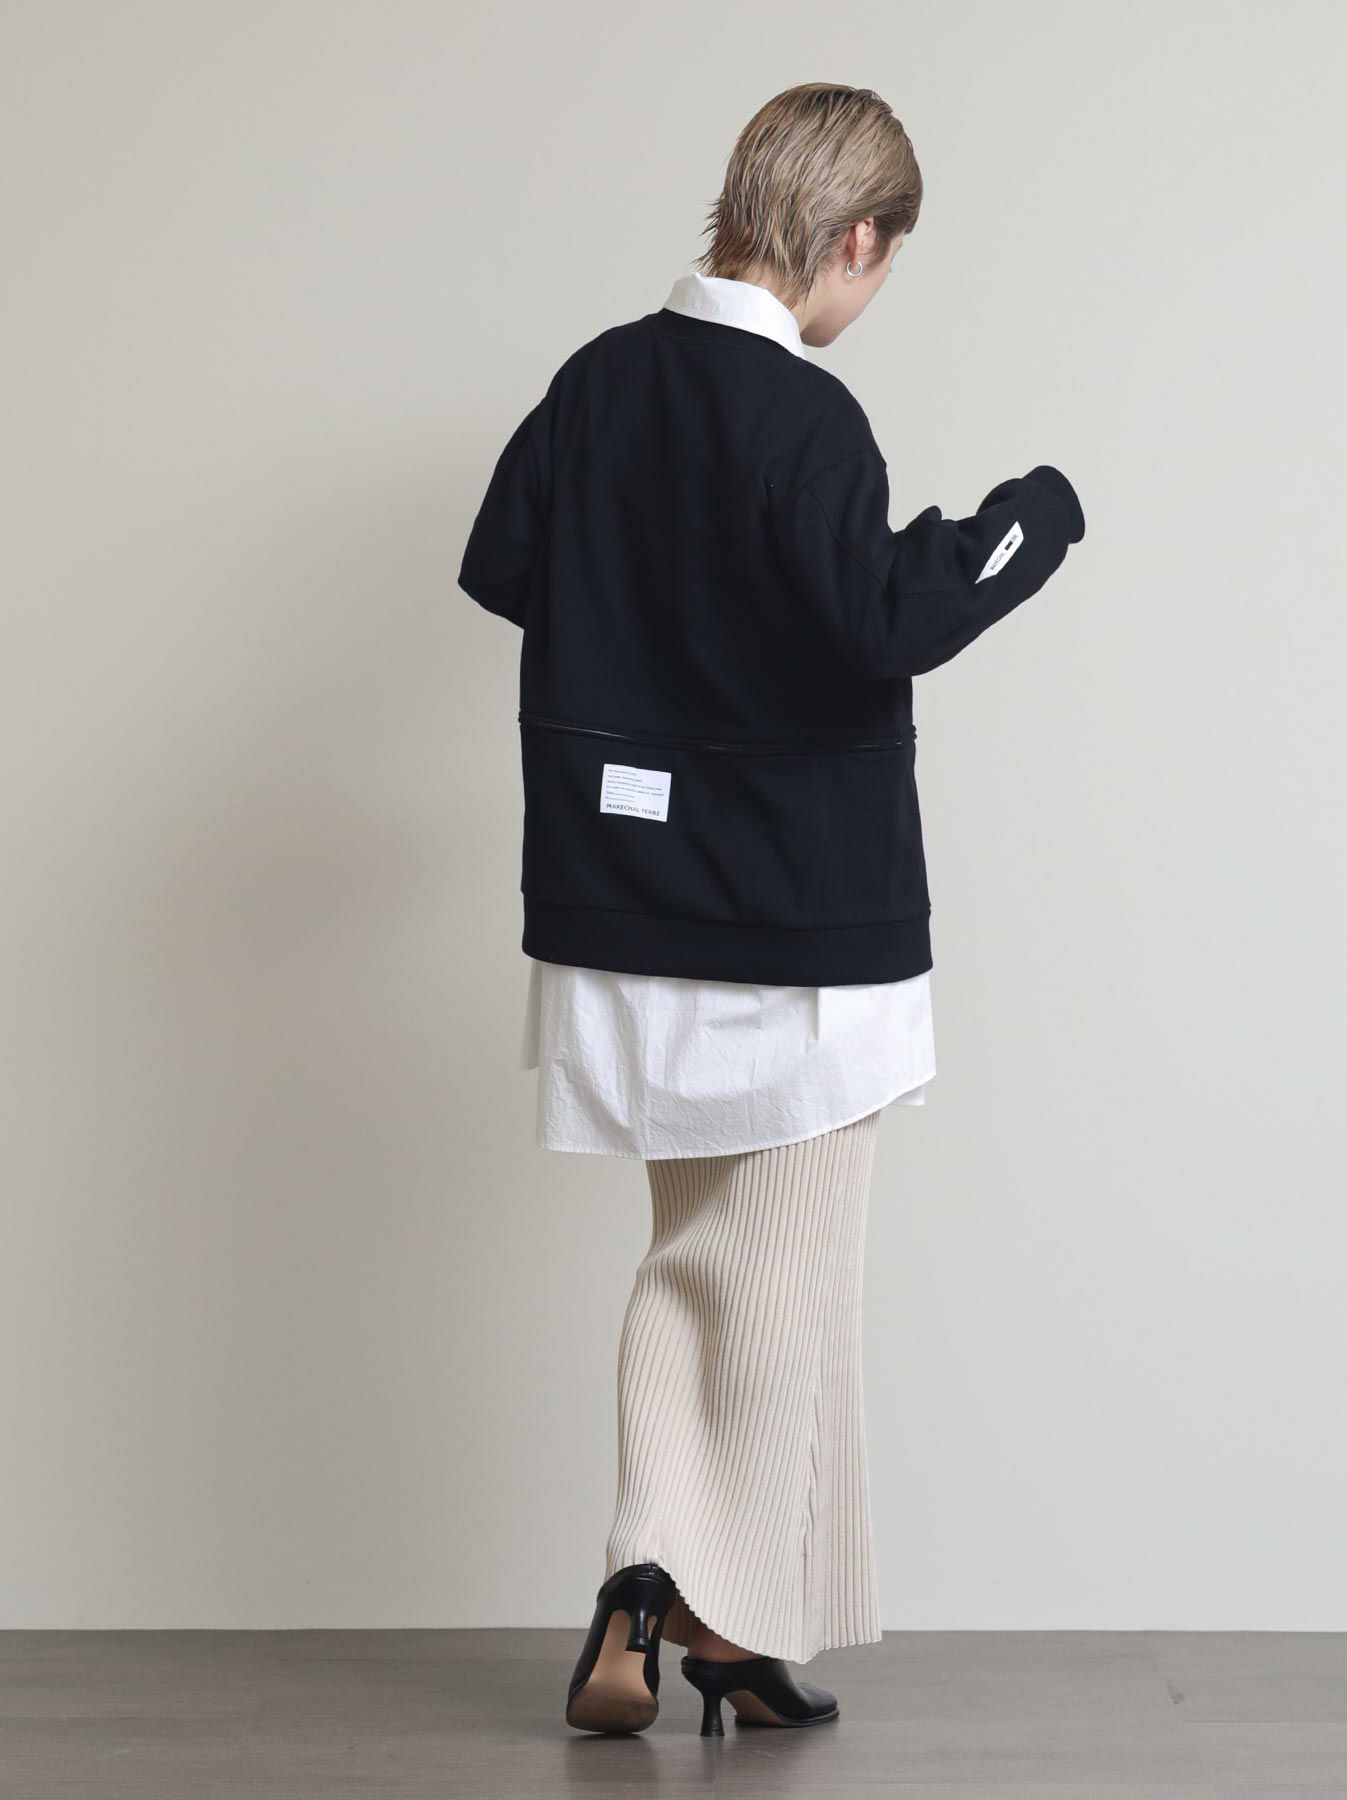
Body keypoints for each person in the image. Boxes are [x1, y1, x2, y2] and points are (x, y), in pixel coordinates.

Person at [458, 81, 1086, 1737]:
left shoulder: (598, 381)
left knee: (691, 1264)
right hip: (791, 935)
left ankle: (691, 1612)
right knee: (782, 1282)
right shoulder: (806, 415)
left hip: (618, 917)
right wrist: (1029, 521)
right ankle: (680, 1588)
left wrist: (654, 627)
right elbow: (886, 621)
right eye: (887, 262)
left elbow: (507, 567)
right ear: (856, 236)